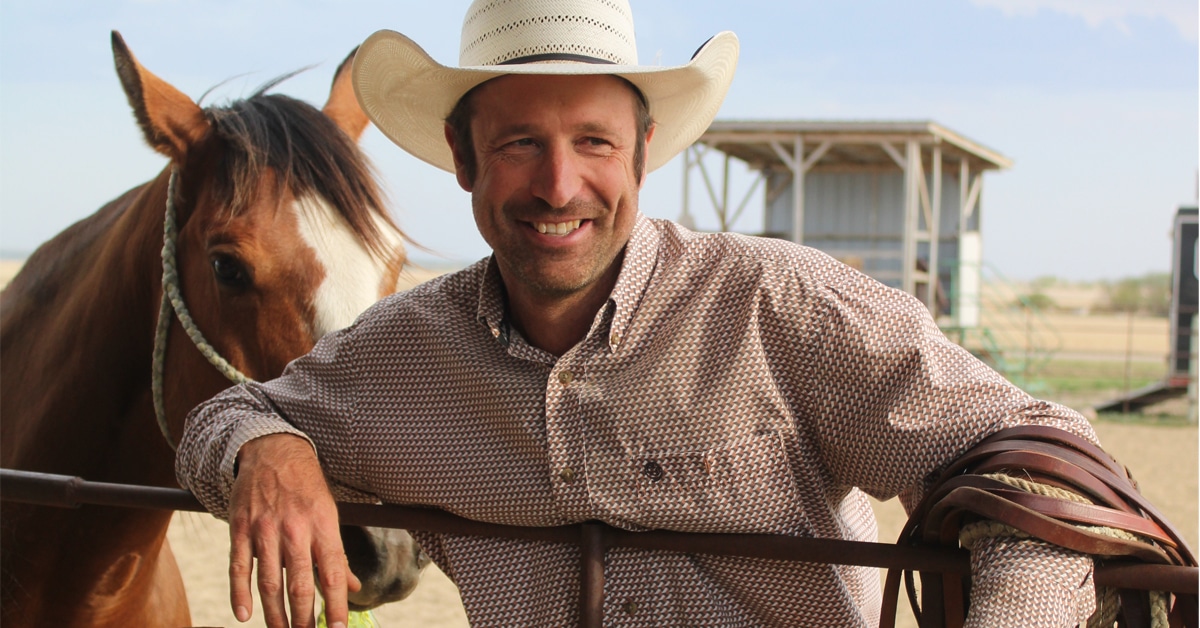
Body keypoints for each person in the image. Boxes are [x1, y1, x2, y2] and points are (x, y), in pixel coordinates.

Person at [176, 2, 1108, 627]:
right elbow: (225, 414)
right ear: (461, 156)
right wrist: (270, 450)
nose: (557, 185)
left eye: (593, 142)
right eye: (518, 145)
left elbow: (1038, 462)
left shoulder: (780, 307)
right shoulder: (404, 355)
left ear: (643, 153)